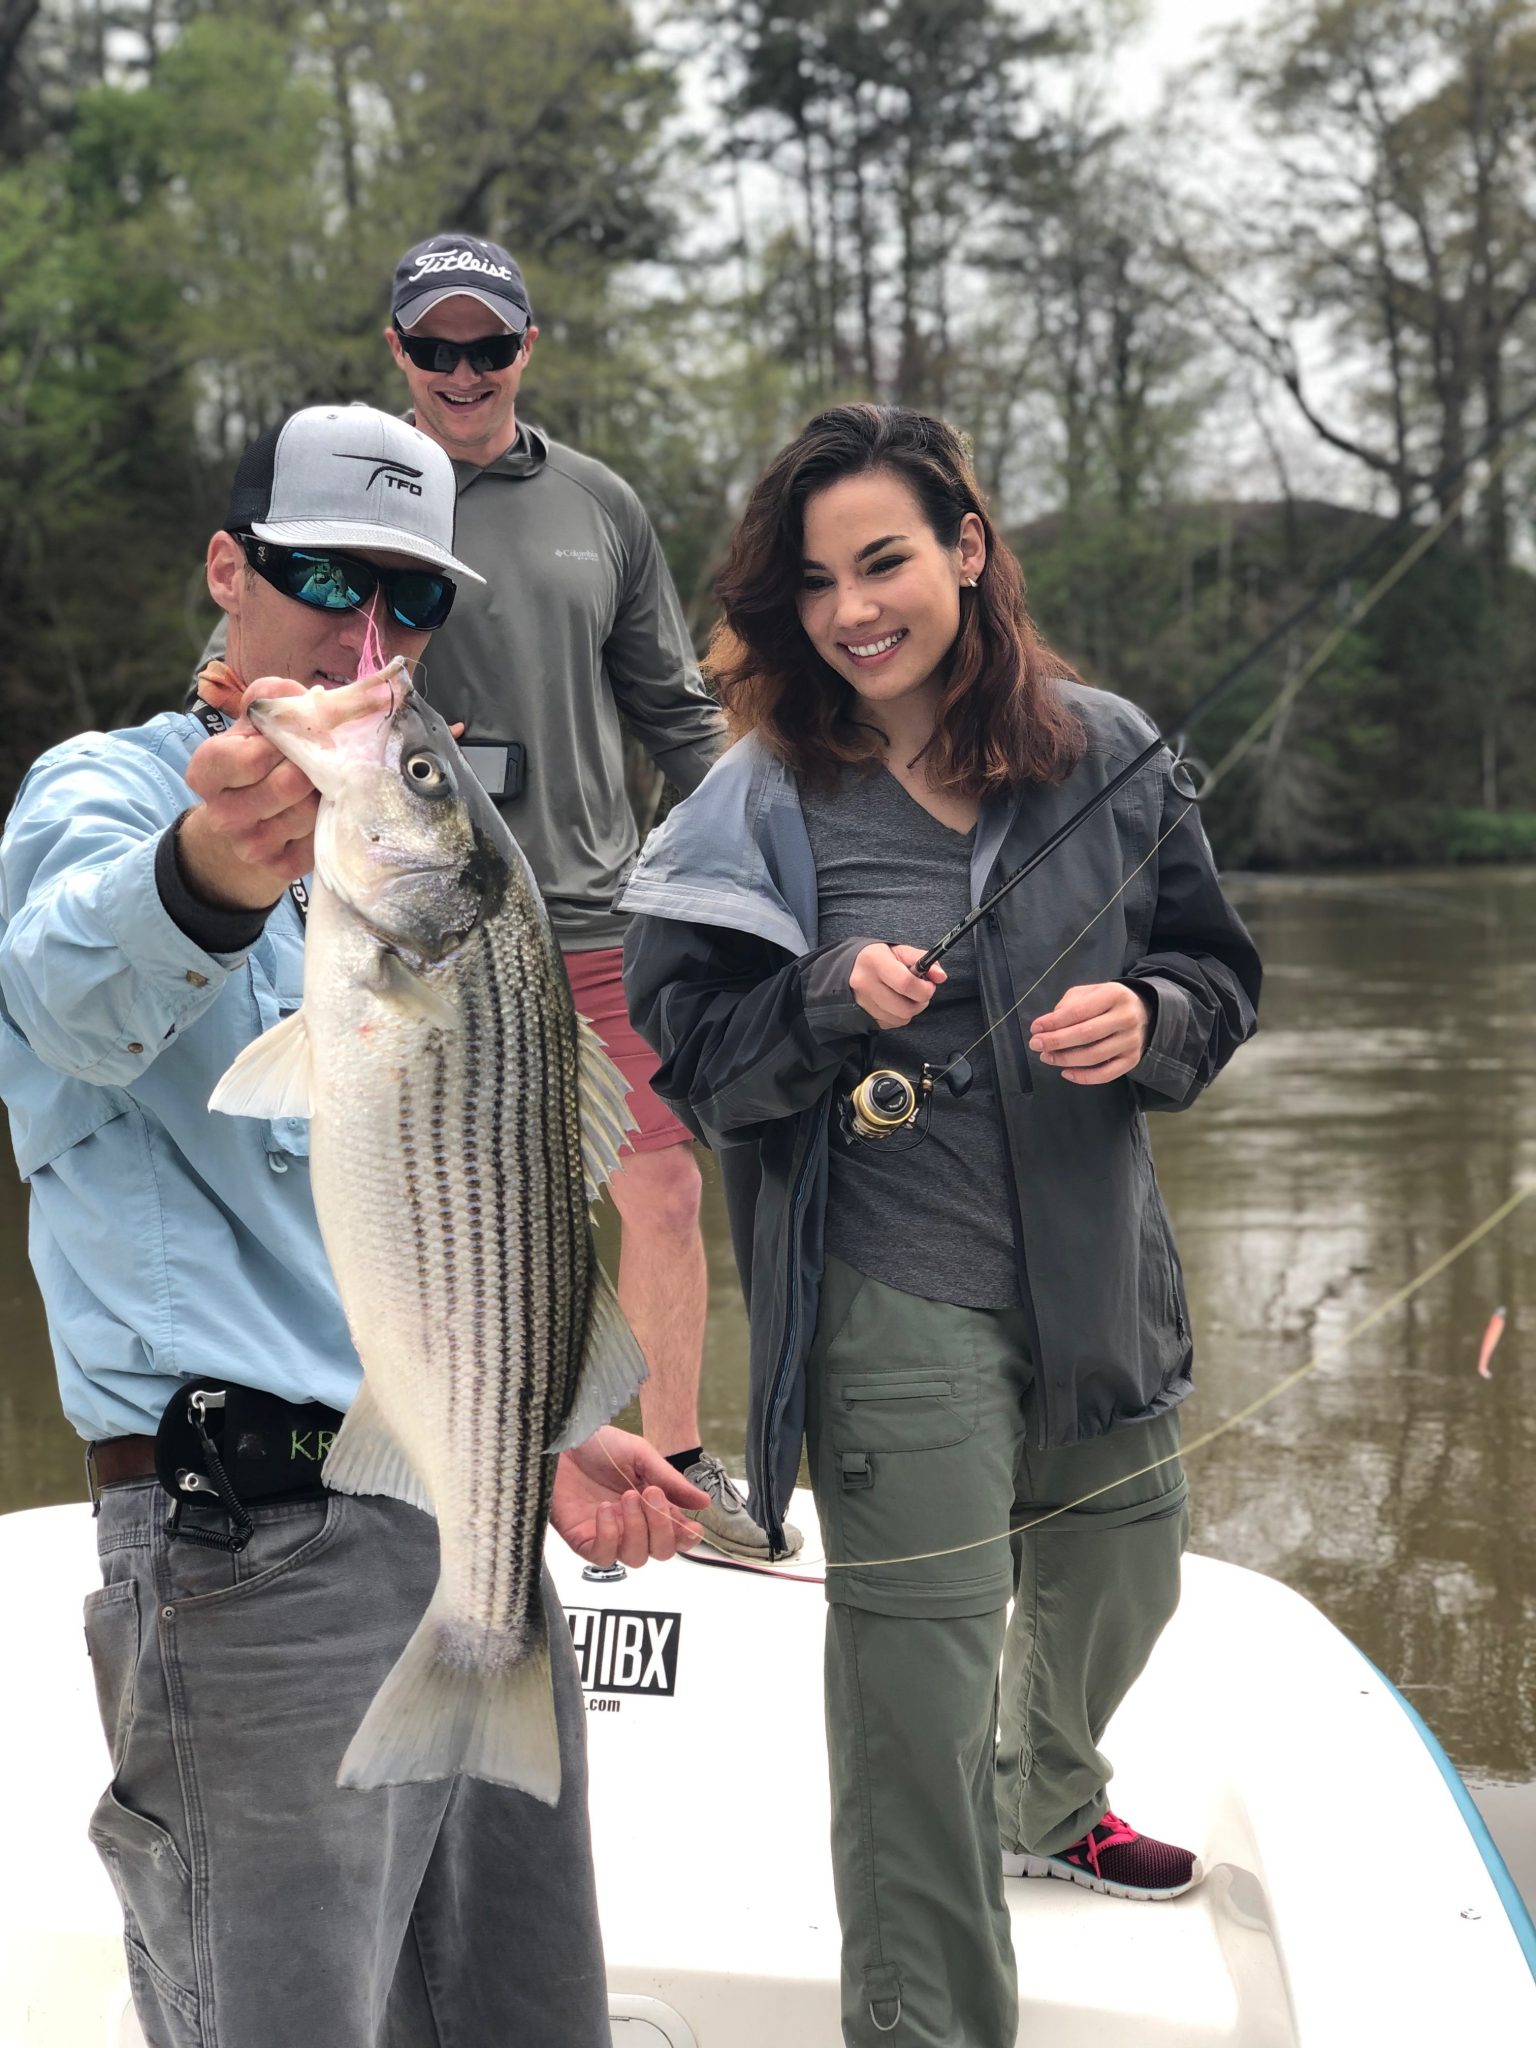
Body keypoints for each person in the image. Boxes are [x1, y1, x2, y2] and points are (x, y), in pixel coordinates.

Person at [0, 401, 709, 2048]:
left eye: (416, 601)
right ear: (227, 569)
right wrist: (207, 869)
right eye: (327, 575)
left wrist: (534, 1425)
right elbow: (58, 1000)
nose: (368, 633)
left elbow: (423, 1220)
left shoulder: (415, 881)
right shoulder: (99, 800)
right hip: (245, 1559)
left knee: (523, 2019)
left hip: (455, 1527)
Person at [619, 404, 1262, 2047]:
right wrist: (826, 997)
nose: (854, 609)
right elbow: (700, 1063)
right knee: (912, 1707)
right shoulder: (756, 802)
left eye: (885, 560)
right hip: (887, 1298)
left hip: (1098, 1276)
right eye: (819, 582)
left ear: (967, 551)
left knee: (1127, 1574)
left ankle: (1044, 1794)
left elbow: (1218, 973)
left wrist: (1157, 1022)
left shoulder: (1110, 750)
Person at [199, 230, 786, 1560]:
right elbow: (247, 662)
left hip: (591, 918)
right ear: (399, 350)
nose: (463, 369)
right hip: (382, 912)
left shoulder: (602, 505)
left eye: (489, 343)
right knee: (389, 1194)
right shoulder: (360, 503)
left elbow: (671, 707)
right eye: (434, 344)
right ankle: (425, 1464)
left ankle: (672, 1471)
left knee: (663, 1196)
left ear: (527, 346)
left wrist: (751, 868)